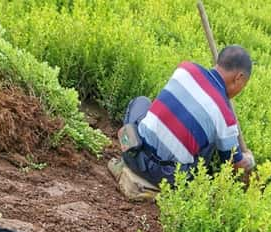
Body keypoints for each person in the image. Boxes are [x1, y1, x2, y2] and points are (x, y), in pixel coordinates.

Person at [109, 45, 255, 193]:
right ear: (239, 78)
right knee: (212, 143)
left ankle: (126, 153)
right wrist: (249, 159)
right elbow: (236, 166)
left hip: (134, 155)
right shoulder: (226, 117)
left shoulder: (185, 69)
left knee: (141, 102)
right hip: (166, 177)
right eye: (244, 84)